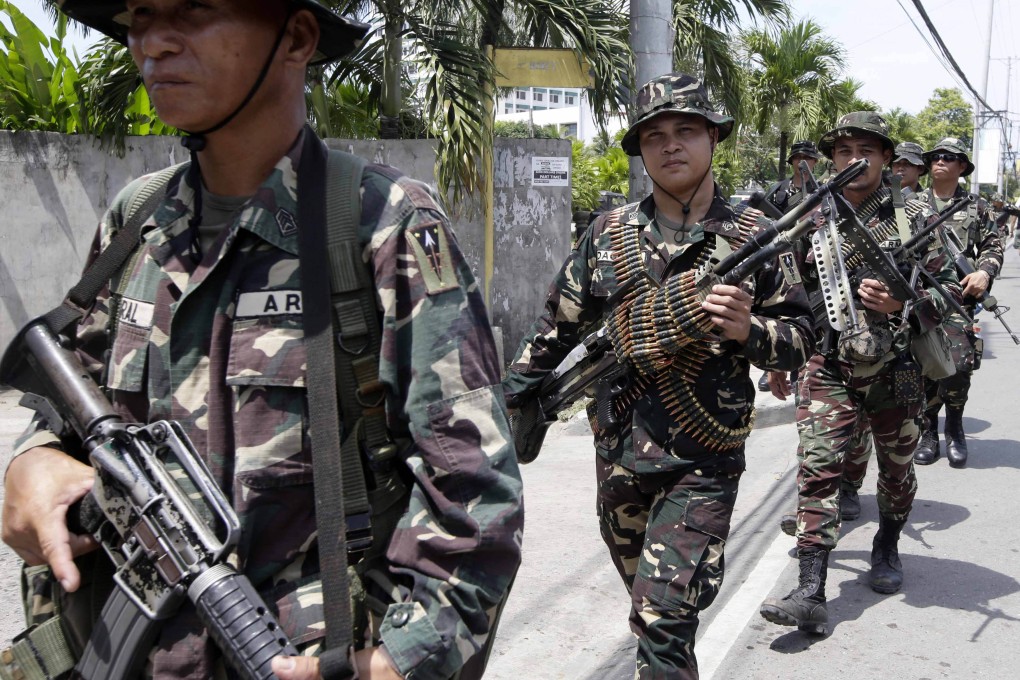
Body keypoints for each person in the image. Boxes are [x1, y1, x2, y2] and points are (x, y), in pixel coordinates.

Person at [0, 2, 524, 679]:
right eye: (139, 17)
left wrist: (399, 662)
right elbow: (70, 399)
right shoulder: (137, 222)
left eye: (191, 10)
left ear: (296, 36)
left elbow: (476, 495)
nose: (153, 42)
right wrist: (32, 461)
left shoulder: (378, 226)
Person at [503, 73, 814, 678]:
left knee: (664, 618)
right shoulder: (608, 235)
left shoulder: (754, 238)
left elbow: (801, 342)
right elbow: (554, 330)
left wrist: (748, 332)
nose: (671, 145)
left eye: (687, 130)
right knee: (650, 614)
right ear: (641, 151)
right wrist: (506, 404)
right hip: (618, 452)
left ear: (714, 139)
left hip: (703, 461)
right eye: (655, 135)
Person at [758, 112, 961, 635]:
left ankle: (887, 544)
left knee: (896, 473)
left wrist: (904, 300)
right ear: (832, 159)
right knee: (818, 469)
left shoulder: (914, 215)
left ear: (887, 158)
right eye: (843, 150)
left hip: (898, 370)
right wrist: (776, 361)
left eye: (865, 149)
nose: (854, 159)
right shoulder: (812, 217)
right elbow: (788, 297)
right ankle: (810, 588)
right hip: (828, 364)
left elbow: (949, 294)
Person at [911, 138, 1003, 468]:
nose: (941, 161)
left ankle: (955, 426)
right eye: (935, 156)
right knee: (922, 367)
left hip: (958, 301)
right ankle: (928, 432)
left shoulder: (977, 207)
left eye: (949, 158)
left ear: (961, 167)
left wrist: (984, 272)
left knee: (958, 366)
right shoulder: (910, 204)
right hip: (915, 299)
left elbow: (993, 245)